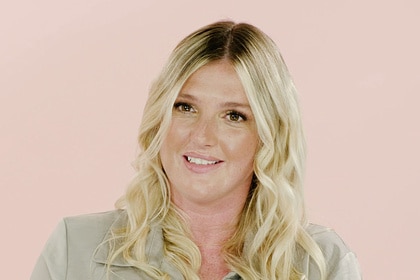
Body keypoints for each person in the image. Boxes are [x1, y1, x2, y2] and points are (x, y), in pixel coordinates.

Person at [31, 20, 362, 280]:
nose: (203, 136)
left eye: (234, 116)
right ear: (159, 117)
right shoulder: (76, 248)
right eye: (185, 108)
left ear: (268, 135)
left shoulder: (322, 262)